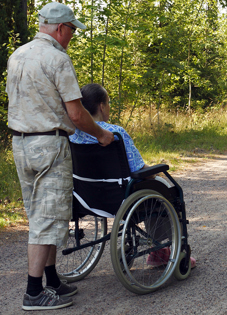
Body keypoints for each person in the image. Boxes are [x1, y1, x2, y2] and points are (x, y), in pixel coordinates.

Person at [6, 2, 114, 311]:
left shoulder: (17, 56)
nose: (71, 37)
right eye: (71, 31)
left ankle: (52, 280)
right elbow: (77, 115)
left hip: (21, 144)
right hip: (49, 145)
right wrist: (101, 134)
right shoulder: (57, 59)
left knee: (40, 213)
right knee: (48, 216)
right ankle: (33, 292)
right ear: (60, 29)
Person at [69, 83, 196, 268]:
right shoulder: (114, 133)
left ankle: (157, 249)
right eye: (109, 103)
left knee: (150, 187)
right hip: (119, 198)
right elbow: (140, 169)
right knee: (162, 187)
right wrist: (156, 171)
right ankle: (159, 250)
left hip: (88, 198)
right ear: (102, 106)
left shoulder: (73, 134)